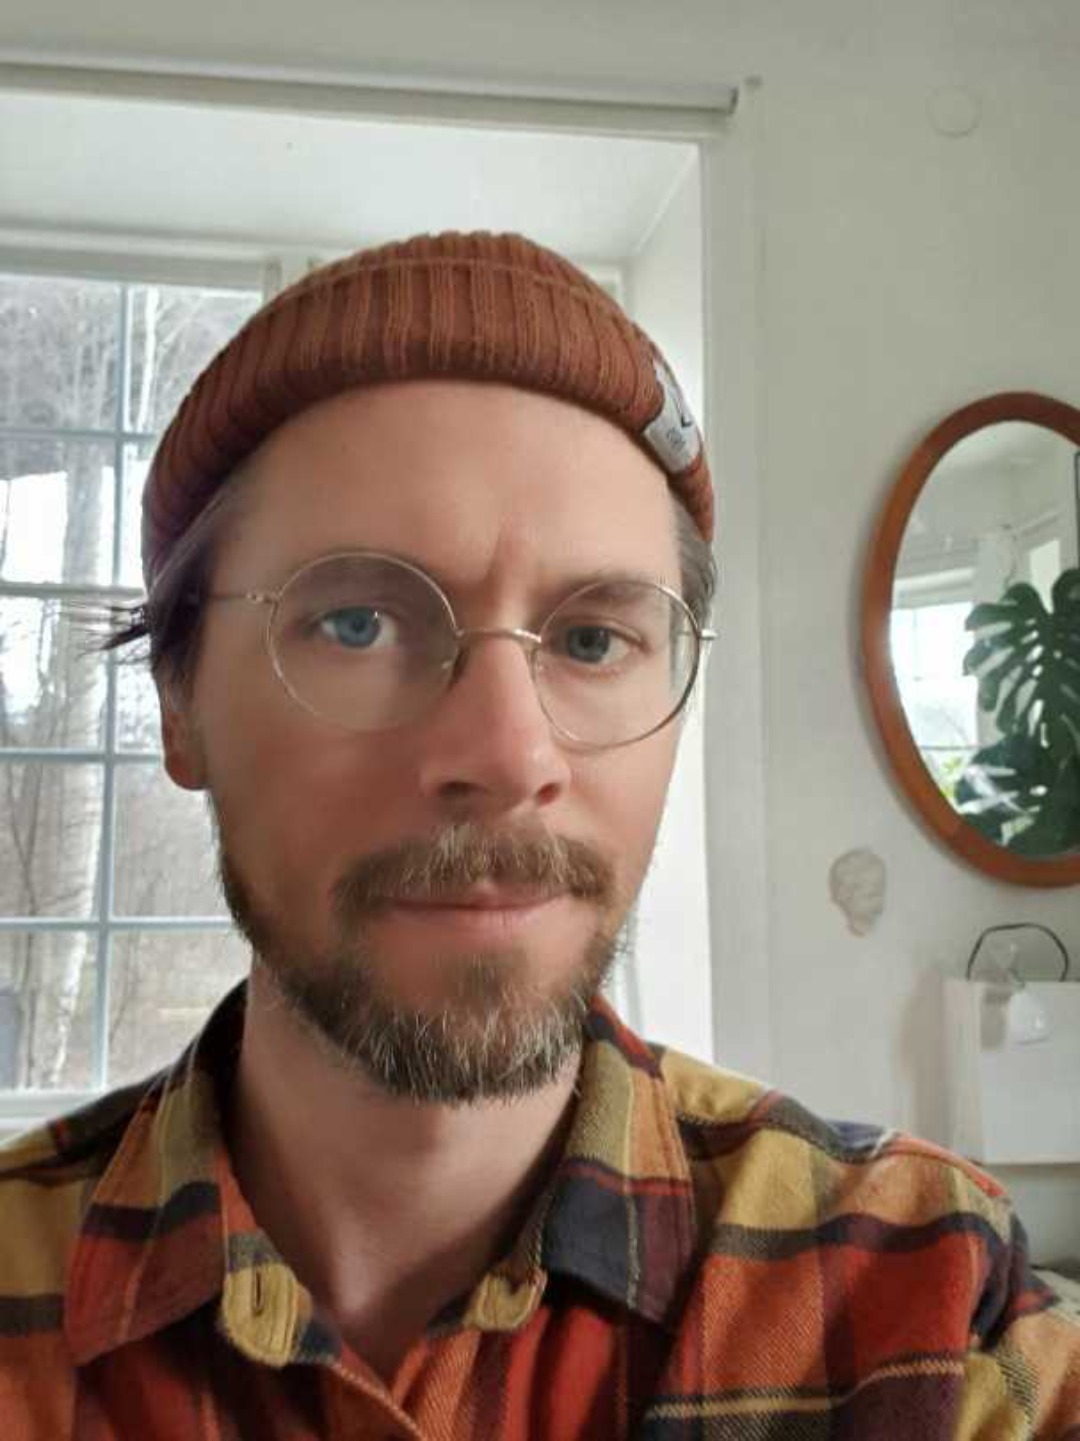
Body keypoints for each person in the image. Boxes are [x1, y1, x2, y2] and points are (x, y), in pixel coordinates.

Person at [0, 230, 1076, 1439]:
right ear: (179, 705)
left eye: (592, 639)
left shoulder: (926, 1304)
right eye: (357, 623)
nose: (510, 758)